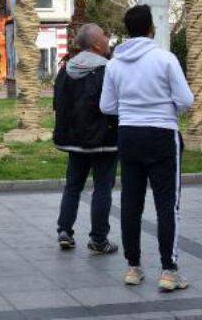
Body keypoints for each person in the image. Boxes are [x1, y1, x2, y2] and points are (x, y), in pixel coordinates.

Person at [100, 5, 194, 292]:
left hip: (128, 135)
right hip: (162, 135)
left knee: (131, 204)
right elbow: (186, 100)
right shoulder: (165, 59)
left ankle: (133, 267)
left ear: (128, 29)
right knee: (167, 205)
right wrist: (165, 109)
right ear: (151, 28)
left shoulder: (115, 63)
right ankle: (169, 271)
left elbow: (107, 106)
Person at [53, 24, 119, 254]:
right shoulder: (108, 70)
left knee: (73, 186)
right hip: (105, 140)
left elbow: (58, 105)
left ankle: (64, 231)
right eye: (104, 35)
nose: (108, 38)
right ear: (96, 45)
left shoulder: (66, 69)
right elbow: (112, 106)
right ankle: (99, 239)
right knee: (102, 188)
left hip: (74, 140)